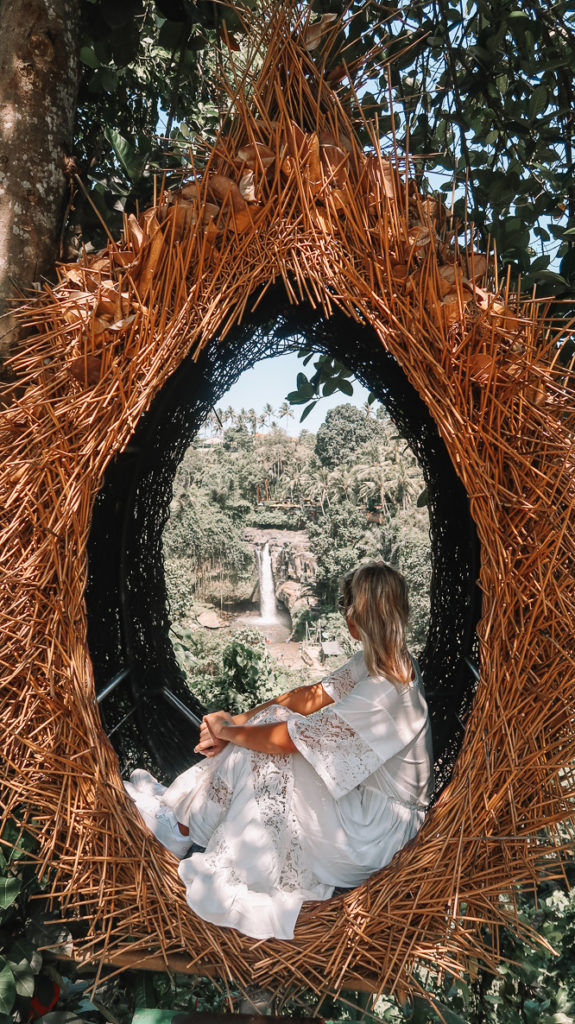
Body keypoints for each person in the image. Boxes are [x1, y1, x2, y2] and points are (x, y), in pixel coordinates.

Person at [124, 561, 434, 941]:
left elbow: (289, 739)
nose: (341, 614)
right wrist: (237, 722)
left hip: (376, 834)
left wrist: (230, 731)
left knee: (272, 750)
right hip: (365, 809)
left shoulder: (385, 692)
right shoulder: (385, 661)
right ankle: (182, 821)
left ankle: (182, 826)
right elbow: (311, 696)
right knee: (268, 724)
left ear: (356, 618)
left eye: (342, 605)